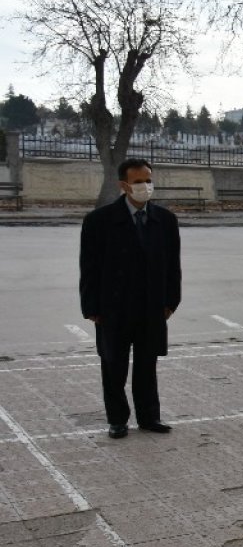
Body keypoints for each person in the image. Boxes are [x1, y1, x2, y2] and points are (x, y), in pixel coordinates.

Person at [80, 158, 181, 439]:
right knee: (114, 366)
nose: (145, 186)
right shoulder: (98, 221)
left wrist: (171, 302)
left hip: (152, 308)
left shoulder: (166, 220)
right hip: (113, 309)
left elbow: (173, 267)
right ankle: (117, 420)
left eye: (148, 180)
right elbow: (88, 269)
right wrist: (91, 308)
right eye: (138, 182)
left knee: (147, 366)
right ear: (123, 185)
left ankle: (149, 417)